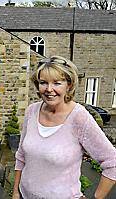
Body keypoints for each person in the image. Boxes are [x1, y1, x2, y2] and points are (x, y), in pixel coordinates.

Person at [12, 55, 116, 199]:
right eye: (43, 82)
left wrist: (97, 197)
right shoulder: (32, 111)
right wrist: (16, 192)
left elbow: (112, 162)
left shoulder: (79, 117)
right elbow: (21, 155)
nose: (49, 89)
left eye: (57, 83)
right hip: (25, 195)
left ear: (69, 85)